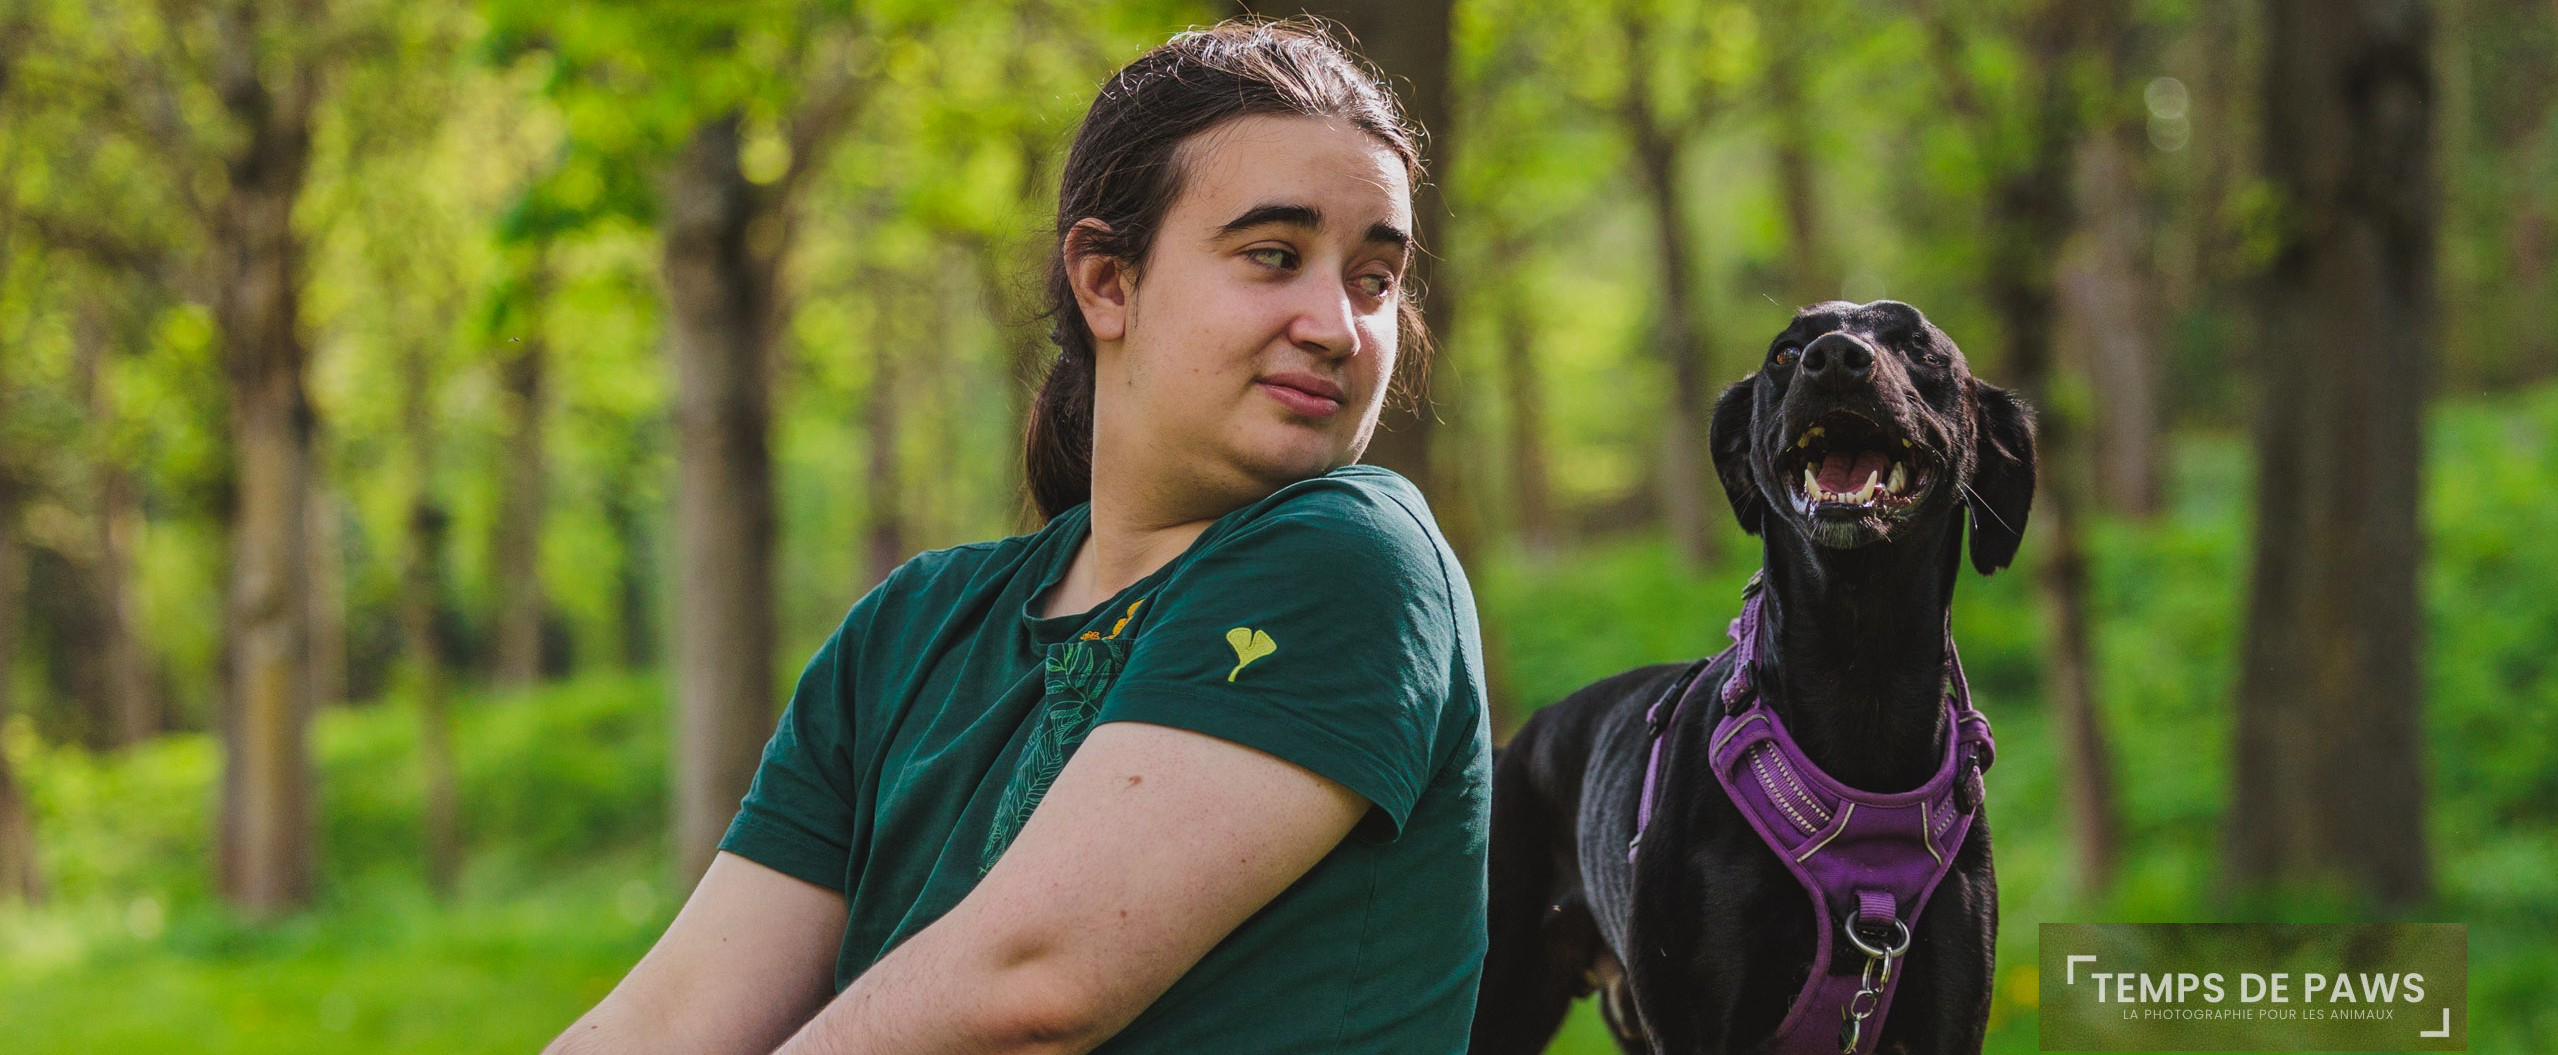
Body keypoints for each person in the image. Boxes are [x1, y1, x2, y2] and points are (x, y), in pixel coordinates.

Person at [545, 19, 1491, 1055]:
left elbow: (1031, 983)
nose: (1335, 323)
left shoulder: (1353, 556)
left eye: (1373, 278)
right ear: (1106, 281)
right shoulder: (910, 627)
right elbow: (674, 1013)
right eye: (1273, 256)